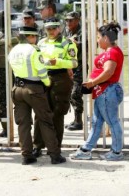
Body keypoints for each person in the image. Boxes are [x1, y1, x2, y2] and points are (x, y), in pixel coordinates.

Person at [8, 26, 66, 165]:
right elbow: (41, 71)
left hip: (17, 89)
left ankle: (26, 155)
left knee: (23, 123)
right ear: (30, 37)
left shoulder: (13, 50)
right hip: (34, 89)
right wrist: (47, 82)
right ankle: (54, 154)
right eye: (34, 37)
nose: (36, 39)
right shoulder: (34, 50)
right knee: (45, 120)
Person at [70, 22, 125, 161]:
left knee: (112, 121)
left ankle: (117, 152)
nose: (97, 40)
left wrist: (92, 83)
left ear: (106, 38)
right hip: (103, 91)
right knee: (96, 122)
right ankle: (86, 149)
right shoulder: (110, 51)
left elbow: (108, 71)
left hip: (107, 91)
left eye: (99, 37)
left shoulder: (112, 52)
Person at [32, 18, 78, 157]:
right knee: (40, 113)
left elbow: (74, 63)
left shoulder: (67, 43)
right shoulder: (41, 43)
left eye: (53, 28)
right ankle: (37, 146)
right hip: (43, 78)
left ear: (59, 28)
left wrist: (57, 62)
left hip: (60, 79)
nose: (51, 31)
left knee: (57, 113)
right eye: (48, 28)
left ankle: (55, 147)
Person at [0, 11, 18, 138]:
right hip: (1, 74)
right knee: (1, 101)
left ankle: (23, 126)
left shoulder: (16, 35)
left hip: (16, 72)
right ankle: (6, 128)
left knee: (19, 101)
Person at [63, 11, 86, 131]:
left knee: (75, 93)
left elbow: (84, 45)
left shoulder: (83, 32)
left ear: (77, 20)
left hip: (80, 66)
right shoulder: (67, 31)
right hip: (70, 66)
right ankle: (76, 120)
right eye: (67, 20)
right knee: (70, 93)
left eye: (71, 20)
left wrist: (74, 43)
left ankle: (79, 121)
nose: (68, 22)